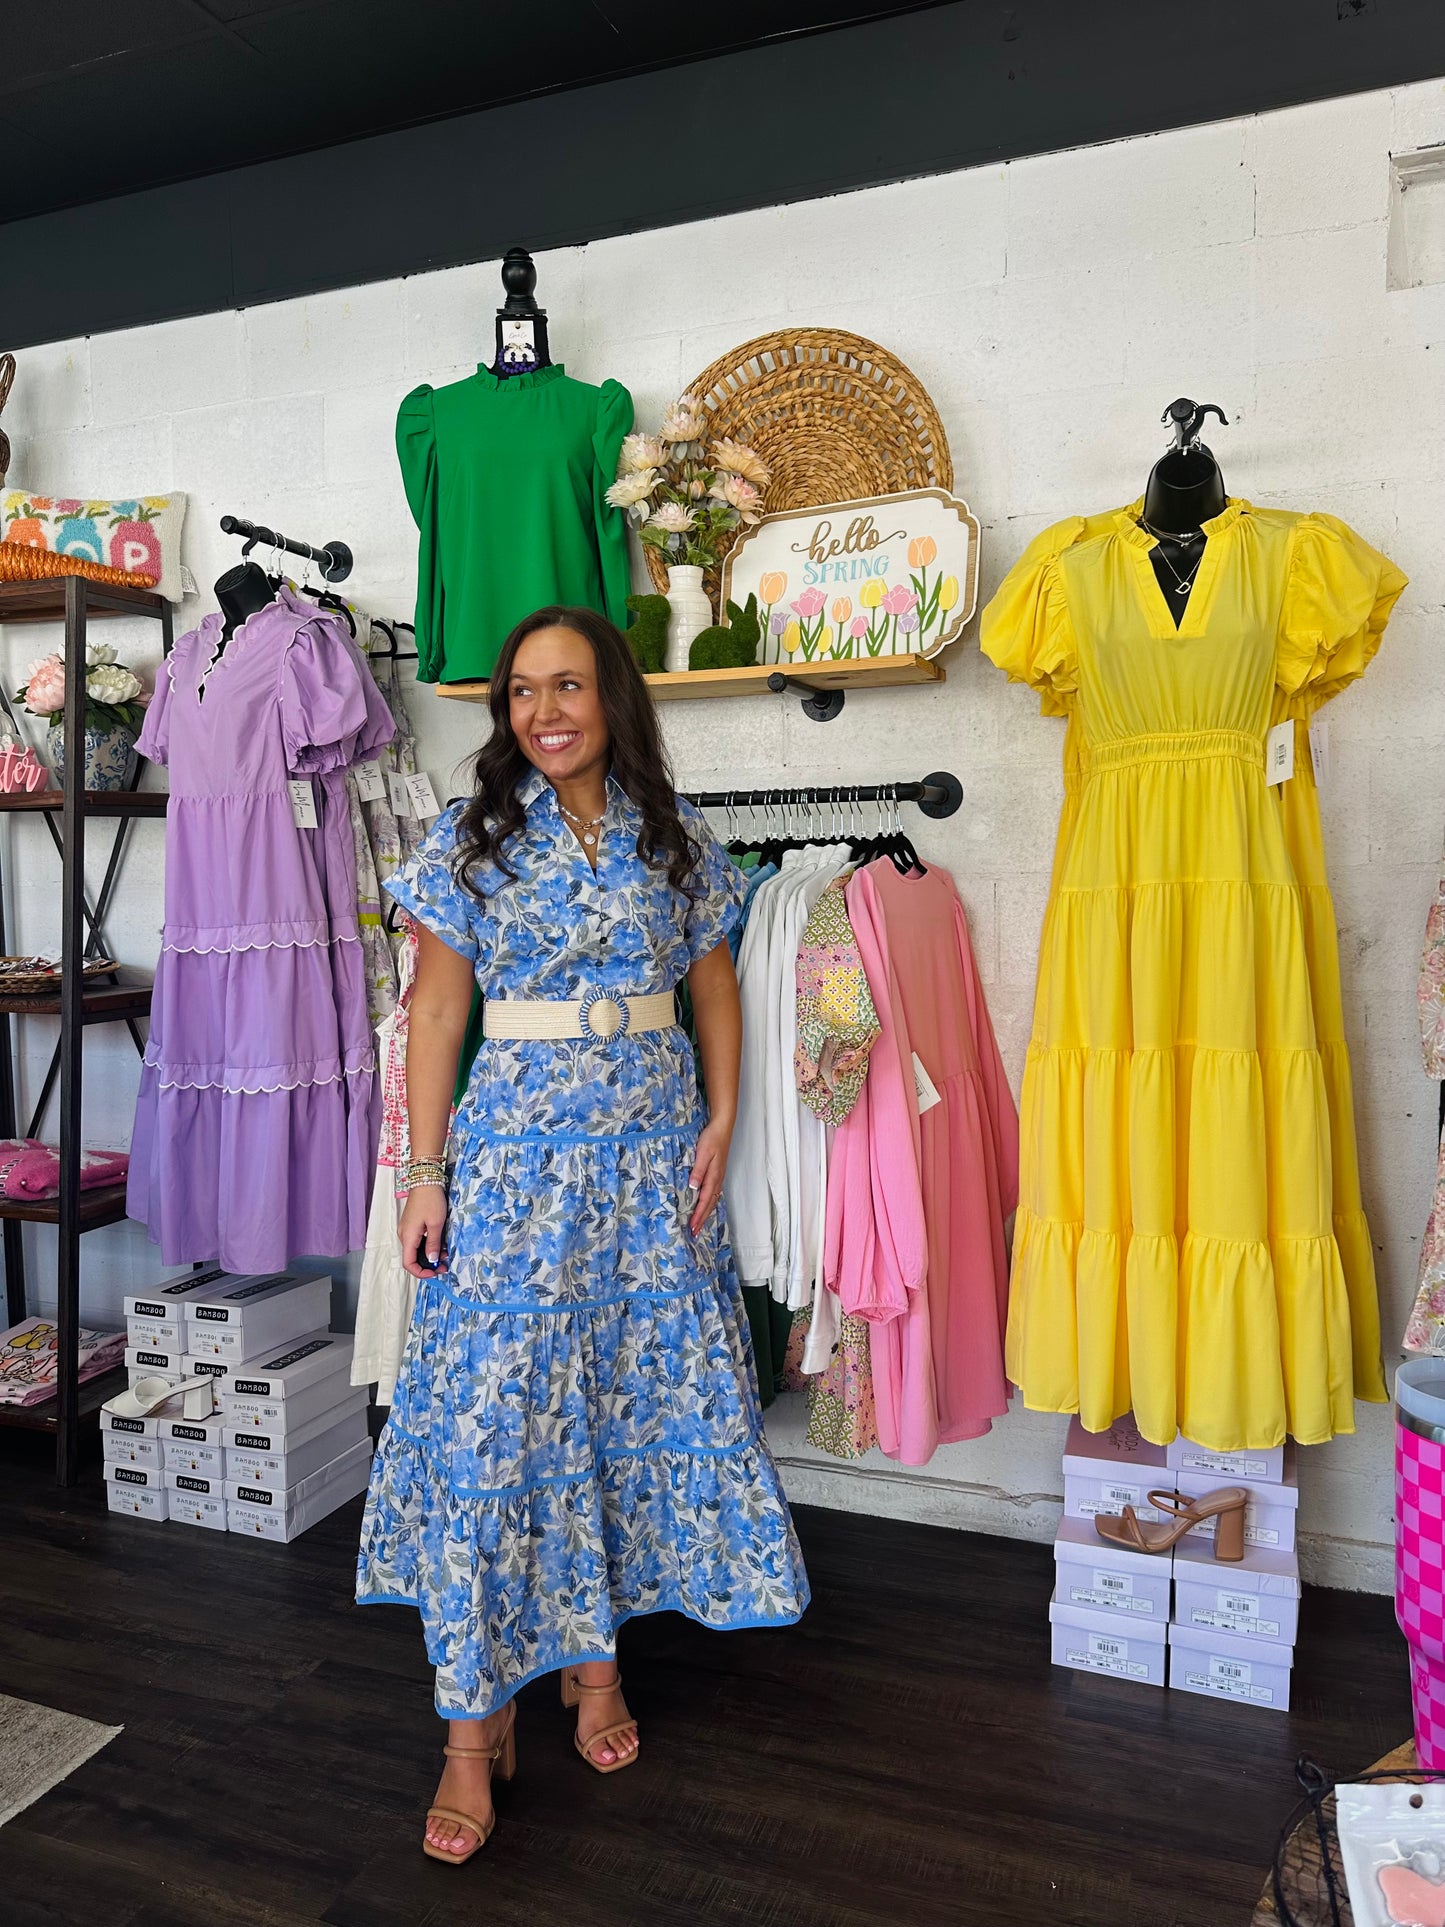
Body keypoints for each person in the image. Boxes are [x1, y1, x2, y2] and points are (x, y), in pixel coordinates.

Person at [356, 605, 810, 1865]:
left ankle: (592, 1663)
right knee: (499, 1424)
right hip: (513, 1168)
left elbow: (713, 981)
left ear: (612, 695)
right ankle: (469, 1722)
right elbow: (437, 1010)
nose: (541, 713)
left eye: (564, 687)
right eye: (518, 694)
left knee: (610, 1415)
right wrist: (422, 1170)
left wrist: (723, 1117)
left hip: (651, 1163)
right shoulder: (469, 837)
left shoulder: (678, 835)